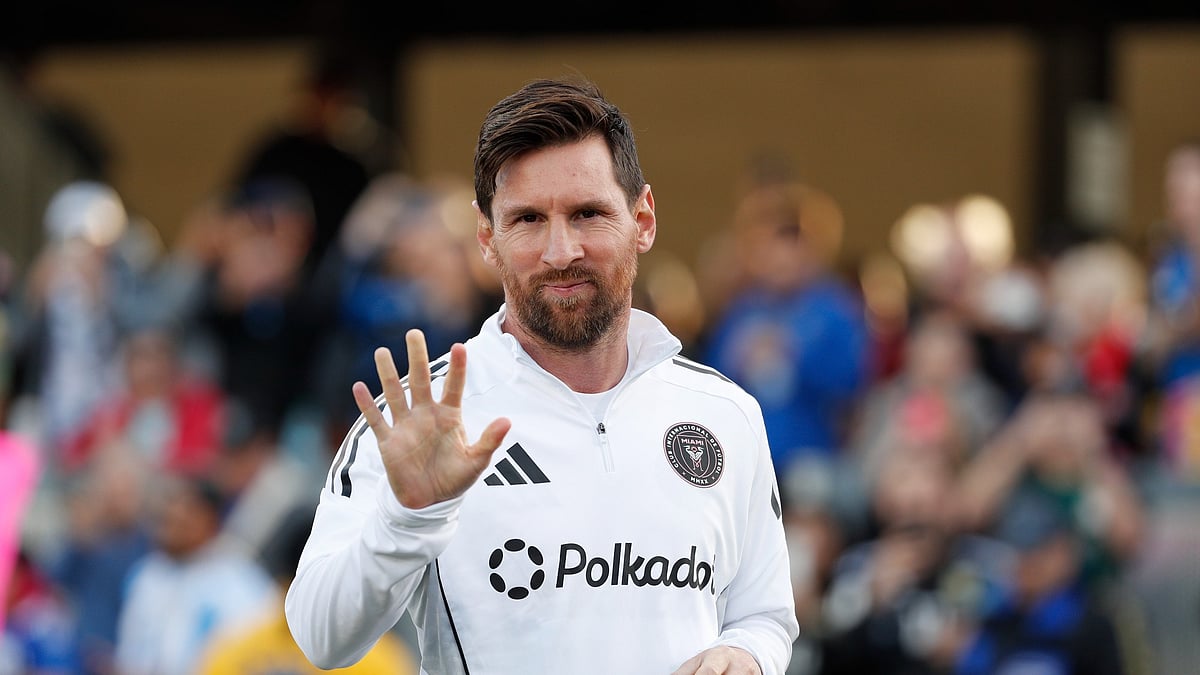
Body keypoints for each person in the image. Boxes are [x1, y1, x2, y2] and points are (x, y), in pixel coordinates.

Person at [285, 77, 799, 674]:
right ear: (487, 237)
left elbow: (764, 616)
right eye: (528, 219)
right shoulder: (417, 421)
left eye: (587, 214)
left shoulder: (723, 411)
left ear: (644, 220)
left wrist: (747, 656)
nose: (560, 251)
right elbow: (321, 640)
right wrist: (408, 517)